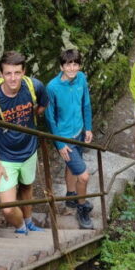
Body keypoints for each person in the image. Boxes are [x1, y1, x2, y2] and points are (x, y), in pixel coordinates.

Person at [0, 50, 48, 235]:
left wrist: (31, 115)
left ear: (24, 72)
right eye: (8, 73)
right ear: (1, 75)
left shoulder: (34, 86)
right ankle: (22, 229)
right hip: (6, 157)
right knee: (8, 208)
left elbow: (42, 105)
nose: (13, 78)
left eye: (17, 73)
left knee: (26, 186)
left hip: (29, 149)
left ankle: (29, 221)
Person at [45, 48, 94, 230]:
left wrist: (88, 127)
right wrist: (59, 144)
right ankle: (82, 208)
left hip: (79, 132)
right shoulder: (52, 87)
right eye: (68, 65)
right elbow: (50, 118)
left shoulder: (81, 78)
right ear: (61, 66)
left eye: (75, 64)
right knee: (84, 176)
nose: (72, 68)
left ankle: (71, 197)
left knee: (71, 167)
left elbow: (86, 103)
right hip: (65, 138)